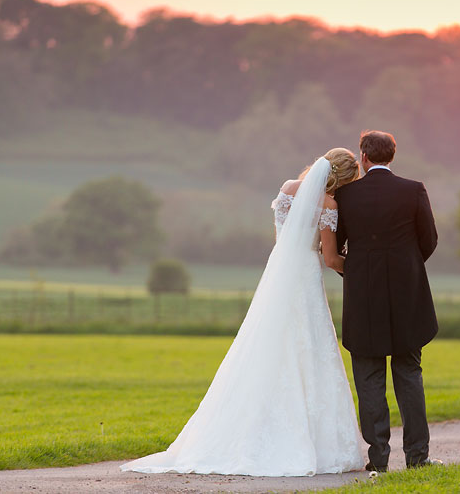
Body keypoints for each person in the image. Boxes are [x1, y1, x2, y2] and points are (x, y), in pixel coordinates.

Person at [119, 148, 365, 476]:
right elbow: (332, 259)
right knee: (309, 346)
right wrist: (362, 272)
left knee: (265, 346)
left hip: (278, 272)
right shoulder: (329, 204)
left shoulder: (288, 188)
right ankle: (309, 439)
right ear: (344, 179)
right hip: (304, 275)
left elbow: (284, 237)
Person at [334, 130, 442, 472]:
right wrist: (406, 266)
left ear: (363, 157)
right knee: (409, 371)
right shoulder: (413, 190)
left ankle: (378, 460)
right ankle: (417, 458)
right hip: (407, 293)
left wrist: (360, 271)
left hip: (363, 296)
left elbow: (336, 246)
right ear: (391, 156)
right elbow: (429, 240)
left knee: (368, 375)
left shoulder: (346, 195)